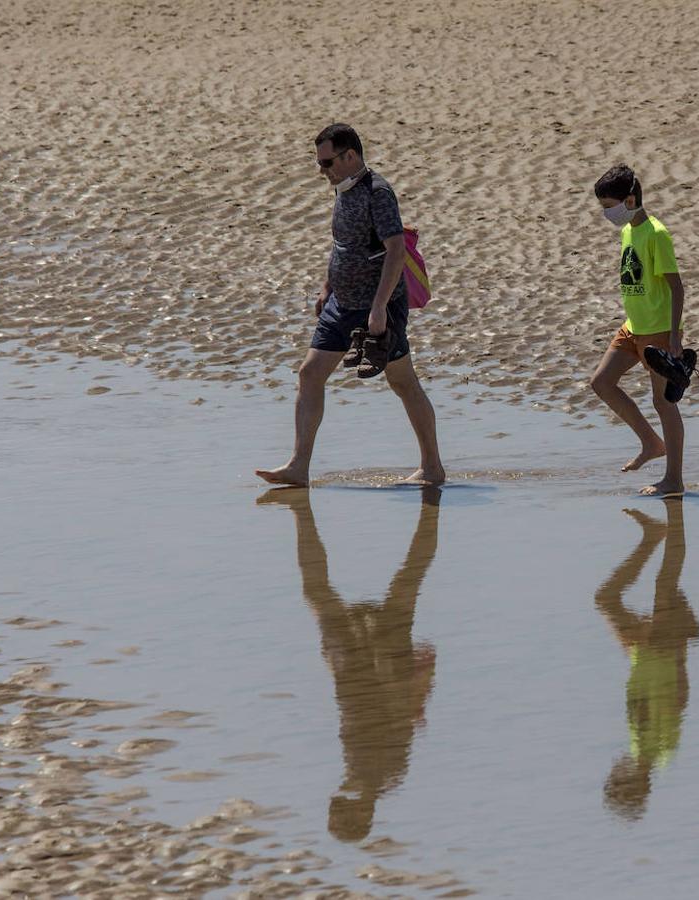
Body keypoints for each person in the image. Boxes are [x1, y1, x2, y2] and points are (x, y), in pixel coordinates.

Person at [257, 123, 444, 488]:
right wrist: (327, 286)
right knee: (310, 374)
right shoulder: (343, 190)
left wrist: (379, 308)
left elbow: (395, 251)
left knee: (403, 382)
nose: (321, 171)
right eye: (319, 163)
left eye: (327, 163)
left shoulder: (378, 193)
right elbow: (342, 244)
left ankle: (433, 467)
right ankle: (298, 467)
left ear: (350, 156)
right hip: (341, 305)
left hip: (378, 307)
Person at [257, 486, 442, 842]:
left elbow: (381, 716)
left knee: (403, 582)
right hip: (373, 670)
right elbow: (399, 714)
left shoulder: (372, 777)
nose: (335, 799)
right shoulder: (381, 774)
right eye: (341, 809)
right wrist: (385, 665)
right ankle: (429, 510)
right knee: (404, 583)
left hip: (361, 671)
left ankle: (303, 514)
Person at [596, 501, 699, 820]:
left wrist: (640, 655)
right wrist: (675, 654)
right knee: (661, 585)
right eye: (618, 777)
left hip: (648, 653)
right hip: (660, 650)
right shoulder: (655, 752)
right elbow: (679, 699)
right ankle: (659, 534)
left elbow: (652, 697)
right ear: (634, 780)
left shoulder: (648, 751)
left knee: (614, 598)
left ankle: (655, 536)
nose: (615, 769)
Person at [589, 164, 689, 498]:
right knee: (601, 383)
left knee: (664, 404)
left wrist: (674, 335)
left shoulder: (656, 234)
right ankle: (650, 442)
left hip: (659, 332)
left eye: (609, 207)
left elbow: (677, 287)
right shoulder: (628, 230)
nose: (606, 214)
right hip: (633, 328)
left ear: (629, 199)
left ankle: (674, 480)